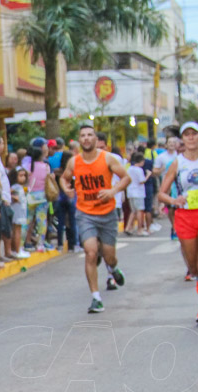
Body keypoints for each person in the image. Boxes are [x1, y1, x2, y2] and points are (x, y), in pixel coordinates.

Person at [158, 122, 198, 326]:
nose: (191, 138)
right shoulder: (177, 163)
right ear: (182, 139)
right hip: (185, 216)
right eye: (187, 135)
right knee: (194, 265)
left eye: (194, 134)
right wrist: (174, 201)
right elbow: (161, 193)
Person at [60, 124, 130, 313]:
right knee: (91, 253)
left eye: (90, 135)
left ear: (95, 139)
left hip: (107, 213)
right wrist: (66, 188)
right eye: (83, 135)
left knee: (109, 257)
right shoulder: (74, 162)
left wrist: (113, 190)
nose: (86, 138)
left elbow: (126, 178)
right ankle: (96, 297)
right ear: (79, 140)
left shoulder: (107, 158)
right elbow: (64, 178)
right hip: (85, 214)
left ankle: (113, 269)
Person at [25, 148, 53, 252]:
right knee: (41, 220)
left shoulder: (28, 167)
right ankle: (40, 244)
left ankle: (24, 242)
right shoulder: (46, 167)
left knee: (28, 220)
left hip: (30, 196)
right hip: (42, 196)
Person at [125, 153, 148, 236]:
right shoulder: (139, 170)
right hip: (138, 193)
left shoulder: (129, 169)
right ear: (141, 161)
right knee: (139, 211)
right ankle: (139, 229)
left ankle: (128, 227)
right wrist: (148, 175)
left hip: (130, 192)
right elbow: (142, 181)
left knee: (133, 211)